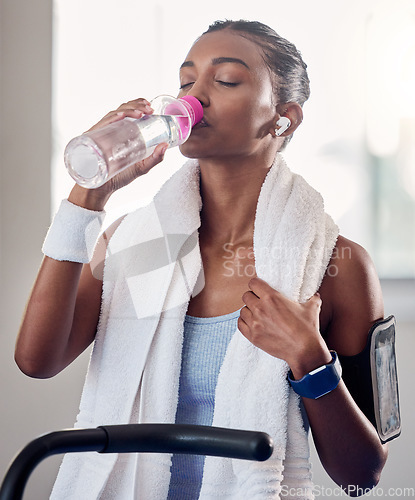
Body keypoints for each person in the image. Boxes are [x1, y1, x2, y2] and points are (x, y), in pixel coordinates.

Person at [16, 20, 390, 499]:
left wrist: (309, 359)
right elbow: (36, 361)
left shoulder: (334, 266)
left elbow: (362, 475)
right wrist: (88, 196)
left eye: (227, 80)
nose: (192, 97)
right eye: (186, 81)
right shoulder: (142, 247)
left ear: (284, 119)